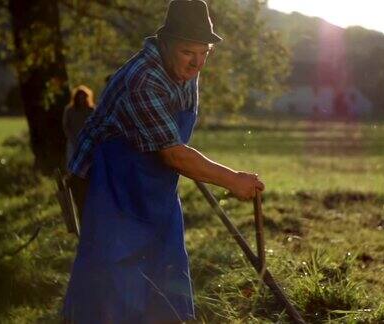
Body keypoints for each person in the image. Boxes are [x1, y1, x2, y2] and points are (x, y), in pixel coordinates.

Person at [62, 1, 265, 323]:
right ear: (166, 43)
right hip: (107, 180)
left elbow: (173, 144)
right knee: (115, 276)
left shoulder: (186, 68)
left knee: (167, 262)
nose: (197, 63)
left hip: (153, 177)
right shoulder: (143, 78)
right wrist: (231, 179)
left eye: (205, 54)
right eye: (189, 53)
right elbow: (173, 153)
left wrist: (189, 161)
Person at [62, 85, 95, 163]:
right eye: (80, 96)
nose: (81, 99)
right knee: (72, 162)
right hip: (73, 140)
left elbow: (95, 124)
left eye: (83, 97)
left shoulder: (91, 110)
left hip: (87, 140)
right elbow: (66, 126)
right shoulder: (69, 110)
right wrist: (72, 138)